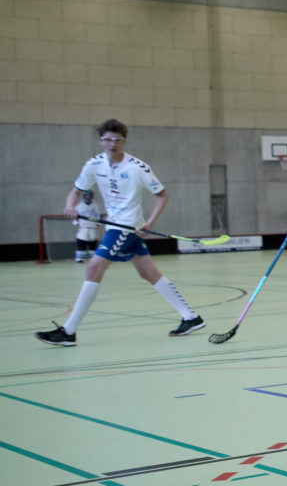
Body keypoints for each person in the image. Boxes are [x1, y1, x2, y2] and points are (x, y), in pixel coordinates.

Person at [36, 119, 204, 346]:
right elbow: (76, 191)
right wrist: (70, 206)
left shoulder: (137, 168)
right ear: (101, 141)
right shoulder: (94, 165)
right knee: (149, 273)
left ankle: (69, 331)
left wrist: (149, 222)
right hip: (114, 225)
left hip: (126, 226)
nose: (112, 144)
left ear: (124, 141)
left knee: (94, 268)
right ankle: (191, 317)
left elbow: (162, 195)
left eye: (117, 140)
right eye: (107, 139)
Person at [72, 188, 101, 263]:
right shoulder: (79, 205)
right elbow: (74, 216)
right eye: (86, 196)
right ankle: (80, 258)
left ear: (92, 196)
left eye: (89, 196)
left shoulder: (96, 205)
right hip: (83, 227)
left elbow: (98, 215)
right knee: (81, 241)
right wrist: (76, 223)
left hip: (92, 227)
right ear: (84, 196)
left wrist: (98, 223)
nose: (88, 197)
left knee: (93, 241)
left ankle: (93, 257)